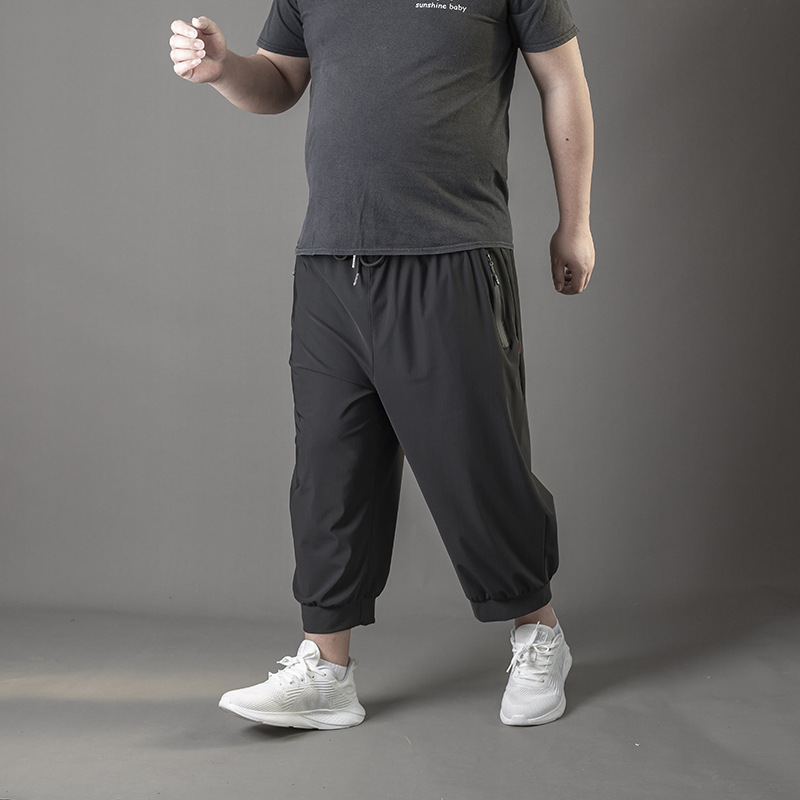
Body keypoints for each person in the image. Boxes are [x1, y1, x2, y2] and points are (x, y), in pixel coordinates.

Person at [169, 0, 594, 730]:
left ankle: (539, 633)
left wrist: (575, 222)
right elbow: (279, 81)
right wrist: (223, 70)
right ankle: (326, 668)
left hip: (451, 251)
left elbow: (563, 80)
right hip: (330, 260)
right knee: (331, 470)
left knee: (475, 460)